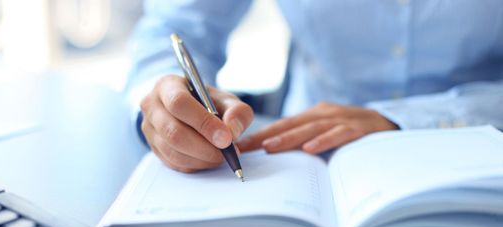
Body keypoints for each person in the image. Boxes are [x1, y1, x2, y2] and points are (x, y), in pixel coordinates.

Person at [127, 0, 503, 173]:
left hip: (485, 148)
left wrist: (401, 119)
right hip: (302, 158)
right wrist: (167, 100)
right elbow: (174, 29)